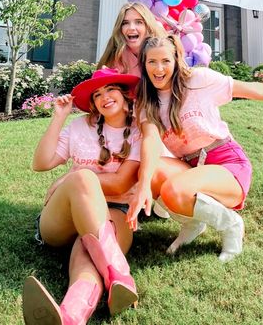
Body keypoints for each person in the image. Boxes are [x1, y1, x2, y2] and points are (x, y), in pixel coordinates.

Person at [127, 35, 263, 263]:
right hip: (190, 165)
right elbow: (150, 140)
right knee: (149, 173)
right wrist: (142, 186)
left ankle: (231, 224)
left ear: (176, 60)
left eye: (165, 61)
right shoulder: (147, 100)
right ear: (144, 63)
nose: (159, 68)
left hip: (227, 163)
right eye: (152, 62)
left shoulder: (197, 80)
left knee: (175, 190)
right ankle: (193, 224)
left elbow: (248, 89)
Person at [22, 67, 190, 325]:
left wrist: (69, 177)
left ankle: (71, 316)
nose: (104, 97)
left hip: (116, 213)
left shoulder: (138, 132)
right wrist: (58, 118)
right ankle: (121, 275)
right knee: (83, 178)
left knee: (91, 255)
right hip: (63, 219)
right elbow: (40, 163)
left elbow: (121, 182)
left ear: (125, 97)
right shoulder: (80, 126)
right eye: (97, 94)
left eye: (111, 89)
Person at [97, 1, 165, 76]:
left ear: (148, 26)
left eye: (138, 22)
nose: (131, 28)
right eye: (125, 23)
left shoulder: (163, 52)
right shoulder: (114, 56)